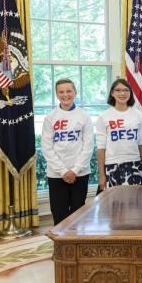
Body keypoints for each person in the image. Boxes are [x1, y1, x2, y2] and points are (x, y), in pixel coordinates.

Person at [41, 78, 93, 225]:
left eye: (69, 91)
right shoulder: (50, 117)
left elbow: (88, 146)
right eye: (61, 92)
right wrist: (63, 171)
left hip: (80, 173)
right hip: (56, 174)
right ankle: (61, 246)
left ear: (75, 92)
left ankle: (76, 245)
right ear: (57, 94)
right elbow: (47, 147)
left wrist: (75, 170)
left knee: (78, 213)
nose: (65, 95)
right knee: (59, 212)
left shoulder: (84, 116)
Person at [95, 79, 142, 194]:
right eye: (118, 90)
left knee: (136, 206)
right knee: (115, 207)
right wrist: (102, 175)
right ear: (112, 93)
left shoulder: (139, 115)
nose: (122, 93)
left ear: (130, 93)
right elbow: (101, 148)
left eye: (126, 90)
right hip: (112, 166)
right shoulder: (104, 116)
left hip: (135, 164)